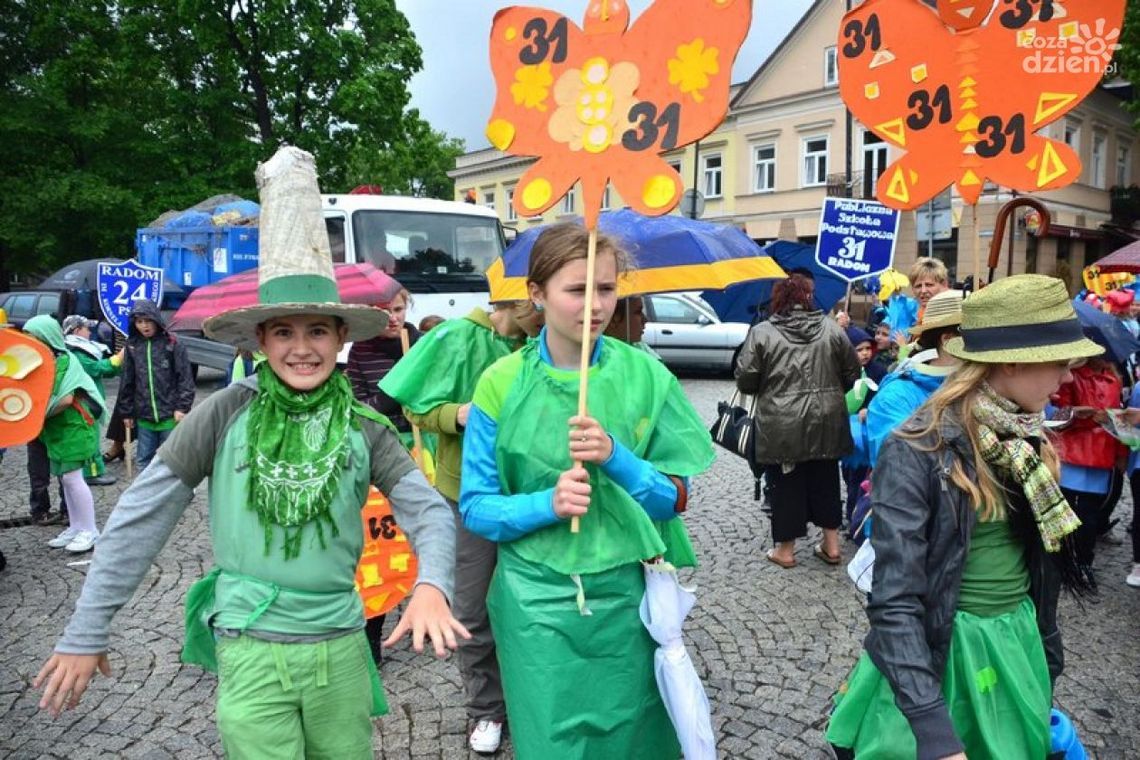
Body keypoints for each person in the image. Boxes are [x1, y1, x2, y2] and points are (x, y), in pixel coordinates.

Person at [34, 146, 465, 759]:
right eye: (284, 331)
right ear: (260, 339)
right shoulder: (224, 411)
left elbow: (426, 509)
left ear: (341, 336)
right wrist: (87, 629)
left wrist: (433, 585)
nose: (302, 347)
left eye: (317, 329)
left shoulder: (366, 426)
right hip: (249, 647)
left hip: (342, 647)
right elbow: (143, 512)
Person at [459, 222, 714, 758]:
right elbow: (477, 508)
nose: (595, 305)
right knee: (554, 741)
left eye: (606, 288)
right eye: (577, 290)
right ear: (537, 293)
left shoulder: (645, 374)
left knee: (632, 737)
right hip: (535, 607)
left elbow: (674, 499)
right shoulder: (499, 384)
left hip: (625, 600)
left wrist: (618, 459)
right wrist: (545, 504)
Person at [826, 274, 1100, 760]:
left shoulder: (1026, 436)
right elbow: (894, 599)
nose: (1066, 378)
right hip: (943, 655)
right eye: (1061, 362)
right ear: (1013, 361)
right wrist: (933, 730)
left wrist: (1046, 662)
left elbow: (1040, 575)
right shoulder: (916, 447)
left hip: (1014, 645)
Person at [379, 300, 541, 754]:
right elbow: (416, 410)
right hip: (466, 495)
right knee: (471, 610)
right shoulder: (454, 337)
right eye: (536, 304)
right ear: (514, 298)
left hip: (533, 496)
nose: (545, 314)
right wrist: (458, 415)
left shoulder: (542, 345)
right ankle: (487, 709)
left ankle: (533, 700)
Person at [735, 273, 861, 568]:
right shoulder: (831, 328)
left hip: (781, 423)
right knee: (826, 478)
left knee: (785, 484)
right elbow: (853, 373)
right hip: (827, 419)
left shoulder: (762, 332)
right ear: (808, 298)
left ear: (778, 300)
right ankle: (831, 546)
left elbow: (746, 379)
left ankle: (786, 550)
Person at [23, 316, 105, 553]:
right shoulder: (47, 361)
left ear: (46, 338)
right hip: (58, 430)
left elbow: (65, 399)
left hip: (74, 428)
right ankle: (76, 527)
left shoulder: (65, 361)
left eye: (33, 336)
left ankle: (89, 530)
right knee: (66, 479)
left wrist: (36, 415)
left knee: (72, 478)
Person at [1051, 354, 1124, 591]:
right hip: (1075, 452)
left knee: (1086, 516)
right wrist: (1078, 414)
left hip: (1096, 452)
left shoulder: (1111, 379)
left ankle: (1079, 563)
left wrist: (1109, 420)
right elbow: (1057, 415)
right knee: (1070, 512)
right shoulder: (1073, 377)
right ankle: (1069, 563)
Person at [865, 289, 964, 464]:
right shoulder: (894, 397)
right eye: (975, 335)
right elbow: (898, 469)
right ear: (948, 340)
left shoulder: (985, 387)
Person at [114, 300, 195, 469]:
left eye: (148, 320)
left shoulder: (172, 343)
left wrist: (182, 407)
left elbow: (185, 378)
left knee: (171, 460)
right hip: (144, 417)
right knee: (144, 461)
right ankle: (144, 494)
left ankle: (172, 493)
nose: (144, 326)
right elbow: (127, 381)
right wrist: (127, 412)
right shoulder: (132, 346)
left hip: (170, 416)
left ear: (156, 319)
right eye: (139, 322)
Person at [345, 289, 420, 442]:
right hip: (383, 436)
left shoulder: (423, 344)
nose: (393, 318)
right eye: (384, 311)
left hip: (425, 436)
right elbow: (357, 407)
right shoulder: (361, 350)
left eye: (398, 309)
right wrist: (387, 400)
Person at [62, 315, 122, 486]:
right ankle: (92, 473)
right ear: (76, 330)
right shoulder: (74, 351)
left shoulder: (82, 348)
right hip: (84, 403)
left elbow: (104, 370)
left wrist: (116, 365)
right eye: (87, 328)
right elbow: (94, 368)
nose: (90, 331)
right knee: (90, 439)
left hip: (90, 401)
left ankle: (94, 470)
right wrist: (117, 359)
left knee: (92, 436)